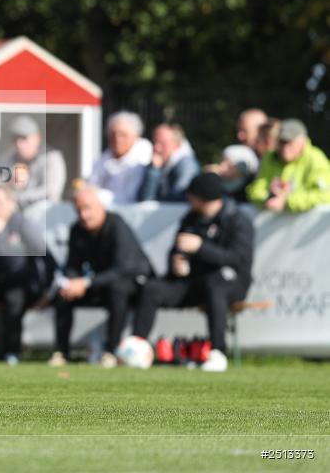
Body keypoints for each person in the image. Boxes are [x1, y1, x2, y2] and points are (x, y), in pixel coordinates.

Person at [131, 172, 254, 372]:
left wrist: (201, 248)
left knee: (215, 285)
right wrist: (176, 263)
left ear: (203, 196)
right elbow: (177, 249)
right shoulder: (191, 218)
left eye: (192, 195)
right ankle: (136, 347)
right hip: (193, 281)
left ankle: (217, 352)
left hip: (230, 282)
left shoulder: (236, 220)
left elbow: (238, 259)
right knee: (152, 288)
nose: (188, 199)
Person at [49, 184, 152, 368]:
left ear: (101, 206)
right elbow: (72, 265)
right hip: (98, 283)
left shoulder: (116, 225)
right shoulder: (77, 230)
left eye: (87, 208)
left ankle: (111, 351)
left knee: (117, 289)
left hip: (133, 283)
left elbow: (123, 269)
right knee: (64, 293)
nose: (83, 215)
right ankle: (62, 352)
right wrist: (72, 283)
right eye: (79, 210)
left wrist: (86, 282)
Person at [0, 185, 47, 365]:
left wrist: (45, 288)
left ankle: (12, 351)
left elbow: (40, 252)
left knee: (14, 295)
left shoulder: (22, 224)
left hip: (19, 282)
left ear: (11, 204)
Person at [247, 119, 330, 212]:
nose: (284, 148)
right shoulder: (269, 157)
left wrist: (287, 201)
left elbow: (326, 195)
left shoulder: (316, 159)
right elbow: (255, 191)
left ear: (302, 141)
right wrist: (268, 198)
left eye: (289, 142)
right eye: (281, 142)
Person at [0, 116, 66, 205]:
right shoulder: (8, 158)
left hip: (44, 214)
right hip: (14, 215)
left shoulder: (51, 158)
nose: (19, 144)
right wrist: (10, 185)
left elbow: (50, 192)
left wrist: (16, 196)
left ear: (37, 138)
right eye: (15, 139)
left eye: (24, 138)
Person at [88, 111, 152, 204]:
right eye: (113, 134)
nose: (117, 139)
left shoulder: (143, 159)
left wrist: (97, 194)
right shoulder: (104, 157)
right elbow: (92, 184)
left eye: (123, 135)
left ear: (136, 136)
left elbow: (129, 197)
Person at [137, 123, 199, 202]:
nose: (156, 148)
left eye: (163, 143)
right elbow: (145, 199)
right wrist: (154, 171)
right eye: (155, 142)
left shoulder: (187, 166)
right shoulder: (158, 164)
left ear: (177, 145)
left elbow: (176, 199)